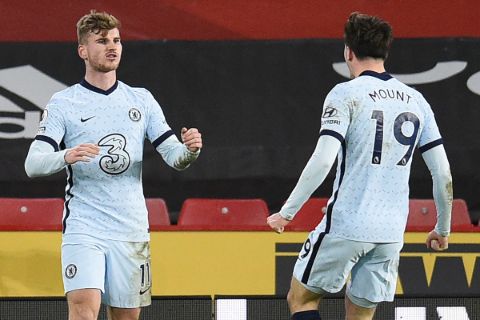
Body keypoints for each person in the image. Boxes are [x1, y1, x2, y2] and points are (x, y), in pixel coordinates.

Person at [267, 12, 452, 320]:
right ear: (385, 52)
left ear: (348, 52)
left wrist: (287, 212)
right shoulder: (416, 100)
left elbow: (323, 159)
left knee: (302, 298)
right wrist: (442, 229)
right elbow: (443, 173)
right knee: (361, 315)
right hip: (391, 232)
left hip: (348, 222)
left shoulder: (346, 94)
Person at [24, 10, 202, 320]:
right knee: (82, 308)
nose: (112, 46)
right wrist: (66, 155)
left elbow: (174, 155)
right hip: (84, 225)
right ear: (83, 50)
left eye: (117, 40)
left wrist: (190, 151)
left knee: (126, 317)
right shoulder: (64, 103)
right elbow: (33, 164)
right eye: (102, 40)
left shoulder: (141, 100)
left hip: (130, 229)